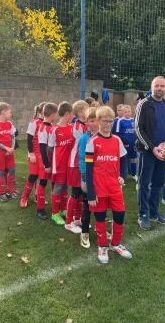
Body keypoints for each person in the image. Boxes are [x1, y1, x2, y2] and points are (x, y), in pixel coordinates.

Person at [86, 106, 132, 264]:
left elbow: (124, 159)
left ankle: (116, 243)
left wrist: (123, 177)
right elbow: (88, 170)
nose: (108, 124)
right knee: (100, 216)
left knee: (120, 214)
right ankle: (102, 245)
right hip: (99, 188)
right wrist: (91, 194)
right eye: (105, 121)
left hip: (114, 187)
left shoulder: (117, 140)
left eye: (111, 121)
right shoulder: (93, 142)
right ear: (98, 121)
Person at [135, 76, 165, 230]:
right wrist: (152, 148)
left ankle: (153, 212)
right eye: (157, 86)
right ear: (152, 87)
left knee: (158, 183)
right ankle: (143, 214)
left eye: (162, 86)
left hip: (163, 154)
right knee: (144, 184)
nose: (160, 88)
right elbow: (138, 129)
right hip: (148, 152)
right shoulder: (144, 105)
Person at [65, 100, 89, 234]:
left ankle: (77, 218)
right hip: (76, 163)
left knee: (81, 192)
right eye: (87, 108)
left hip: (83, 163)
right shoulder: (78, 127)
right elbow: (84, 145)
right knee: (76, 192)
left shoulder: (85, 125)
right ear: (80, 113)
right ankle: (68, 222)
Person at [49, 102, 74, 225]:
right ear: (67, 113)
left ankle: (63, 209)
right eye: (72, 113)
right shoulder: (55, 129)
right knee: (58, 186)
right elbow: (51, 147)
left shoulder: (72, 128)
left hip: (69, 163)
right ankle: (55, 213)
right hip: (59, 163)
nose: (73, 116)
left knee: (65, 186)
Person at [0, 103, 18, 202]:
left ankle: (10, 191)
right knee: (1, 171)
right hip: (0, 152)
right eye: (9, 112)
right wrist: (5, 148)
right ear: (2, 112)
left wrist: (12, 148)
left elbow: (13, 136)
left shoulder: (9, 123)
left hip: (9, 152)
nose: (10, 114)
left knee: (12, 169)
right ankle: (2, 193)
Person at [79, 107, 99, 248]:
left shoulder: (106, 136)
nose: (95, 123)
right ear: (87, 122)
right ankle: (84, 232)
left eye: (97, 120)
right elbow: (81, 159)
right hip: (88, 177)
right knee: (87, 204)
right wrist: (85, 178)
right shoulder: (84, 139)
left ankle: (99, 228)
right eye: (91, 121)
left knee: (101, 205)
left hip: (102, 177)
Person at [20, 102, 46, 208]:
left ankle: (37, 196)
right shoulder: (34, 123)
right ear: (42, 112)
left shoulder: (49, 124)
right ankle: (24, 198)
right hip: (34, 154)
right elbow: (29, 139)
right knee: (33, 175)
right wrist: (31, 154)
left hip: (43, 155)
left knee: (41, 176)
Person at [37, 103, 58, 220]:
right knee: (43, 182)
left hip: (53, 159)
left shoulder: (51, 126)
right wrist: (46, 164)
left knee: (54, 182)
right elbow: (42, 147)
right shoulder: (43, 128)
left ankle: (56, 204)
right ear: (53, 115)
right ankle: (40, 209)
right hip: (46, 161)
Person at [115, 105, 137, 181]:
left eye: (129, 111)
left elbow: (136, 133)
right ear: (122, 113)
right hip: (124, 144)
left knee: (133, 159)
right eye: (125, 112)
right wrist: (123, 141)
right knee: (122, 160)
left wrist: (136, 143)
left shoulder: (133, 120)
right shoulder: (120, 121)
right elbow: (117, 134)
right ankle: (122, 177)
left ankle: (134, 175)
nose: (127, 113)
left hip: (132, 144)